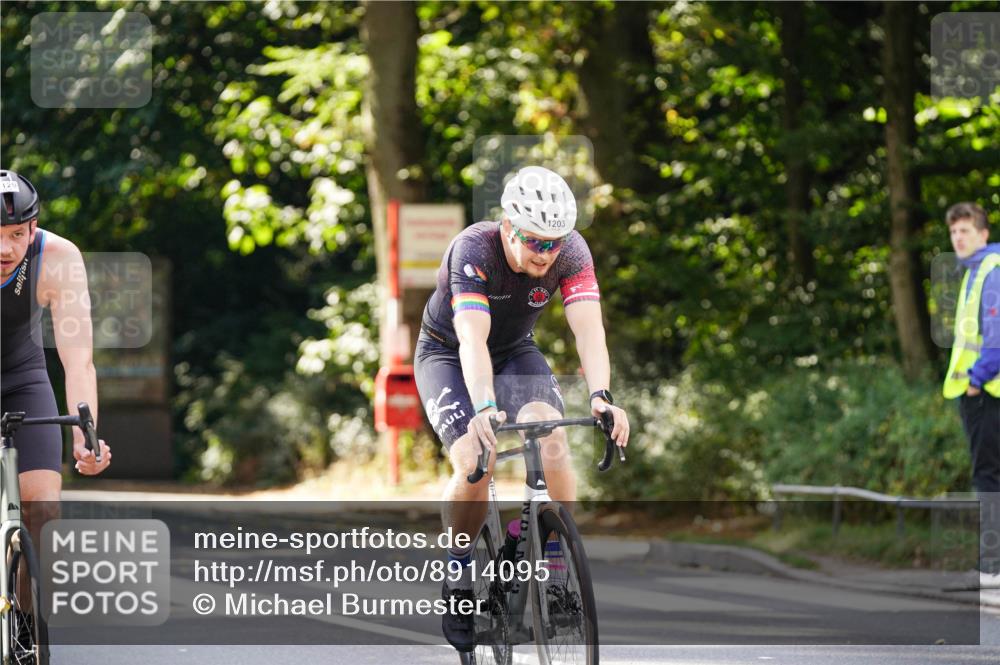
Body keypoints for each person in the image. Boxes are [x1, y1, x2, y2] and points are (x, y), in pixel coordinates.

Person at [414, 165, 630, 651]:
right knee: (477, 458)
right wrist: (484, 406)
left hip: (514, 350)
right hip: (448, 352)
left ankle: (553, 564)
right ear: (509, 226)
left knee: (550, 432)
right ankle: (459, 573)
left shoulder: (572, 252)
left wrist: (601, 395)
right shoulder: (474, 249)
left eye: (554, 242)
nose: (545, 253)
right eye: (534, 241)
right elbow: (472, 338)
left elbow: (589, 330)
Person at [1, 170, 112, 529]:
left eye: (17, 234)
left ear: (33, 229)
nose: (5, 249)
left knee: (43, 511)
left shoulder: (57, 258)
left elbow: (79, 362)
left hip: (22, 381)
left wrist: (85, 438)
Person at [942, 201, 1000, 585]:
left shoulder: (990, 272)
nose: (957, 238)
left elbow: (996, 339)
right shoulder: (976, 271)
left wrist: (976, 381)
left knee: (988, 478)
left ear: (983, 234)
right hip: (985, 392)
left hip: (987, 394)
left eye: (965, 230)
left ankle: (992, 568)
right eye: (953, 232)